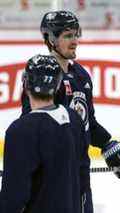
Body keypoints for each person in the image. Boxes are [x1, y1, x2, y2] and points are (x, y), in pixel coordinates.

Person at [20, 10, 120, 213]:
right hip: (50, 180)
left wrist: (108, 145)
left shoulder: (80, 75)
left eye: (76, 34)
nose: (75, 41)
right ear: (50, 39)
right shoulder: (41, 76)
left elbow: (87, 122)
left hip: (80, 176)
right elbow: (30, 127)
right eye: (67, 36)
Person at [0, 55, 89, 213]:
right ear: (57, 86)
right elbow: (82, 180)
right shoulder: (74, 120)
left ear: (26, 84)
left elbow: (13, 199)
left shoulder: (20, 131)